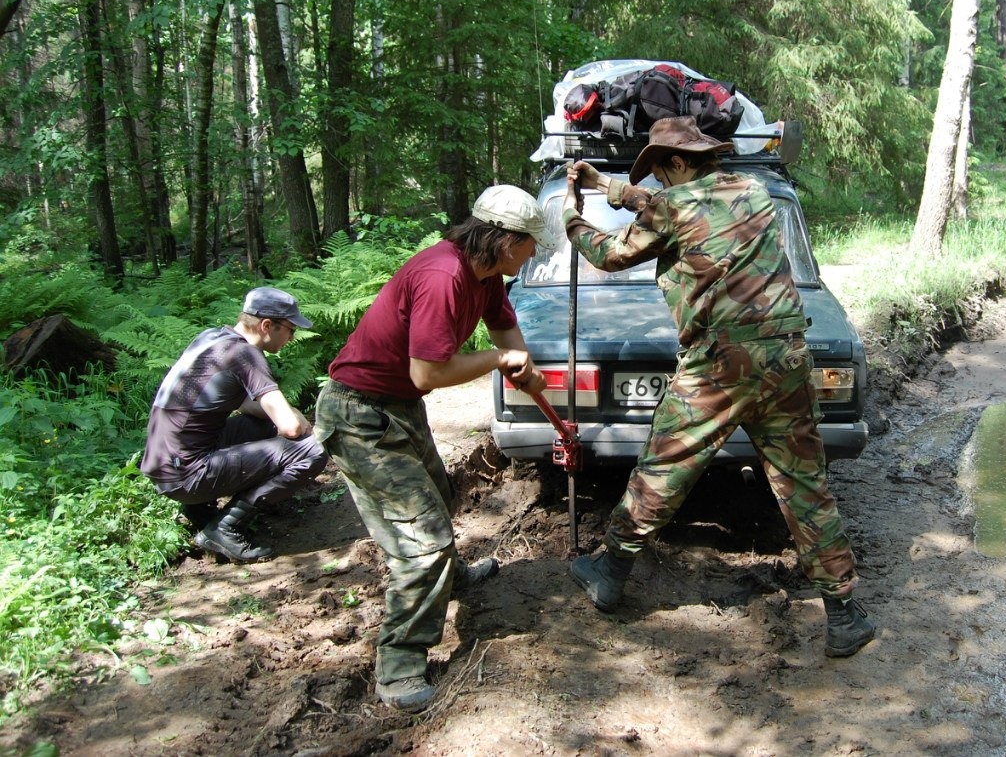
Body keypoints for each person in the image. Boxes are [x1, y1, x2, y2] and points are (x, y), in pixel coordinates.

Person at [562, 115, 875, 658]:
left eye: (662, 171)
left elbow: (610, 254)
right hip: (786, 356)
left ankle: (609, 574)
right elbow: (677, 208)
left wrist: (573, 214)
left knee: (665, 467)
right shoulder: (753, 191)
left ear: (679, 163)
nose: (658, 183)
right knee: (804, 484)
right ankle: (845, 613)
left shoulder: (672, 206)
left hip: (720, 364)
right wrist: (607, 187)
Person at [313, 184, 552, 712]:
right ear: (506, 240)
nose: (534, 253)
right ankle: (399, 665)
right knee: (422, 538)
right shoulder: (444, 275)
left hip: (397, 407)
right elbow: (429, 372)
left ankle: (450, 578)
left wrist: (528, 372)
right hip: (359, 415)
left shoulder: (487, 274)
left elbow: (509, 337)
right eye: (532, 243)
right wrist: (496, 362)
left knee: (438, 499)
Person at [140, 287, 329, 562]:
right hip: (185, 475)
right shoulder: (246, 355)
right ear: (267, 326)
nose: (291, 338)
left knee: (262, 425)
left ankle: (198, 509)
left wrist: (286, 414)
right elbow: (290, 428)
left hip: (164, 464)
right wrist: (297, 416)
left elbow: (244, 404)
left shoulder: (213, 338)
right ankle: (225, 528)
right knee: (312, 451)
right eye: (290, 329)